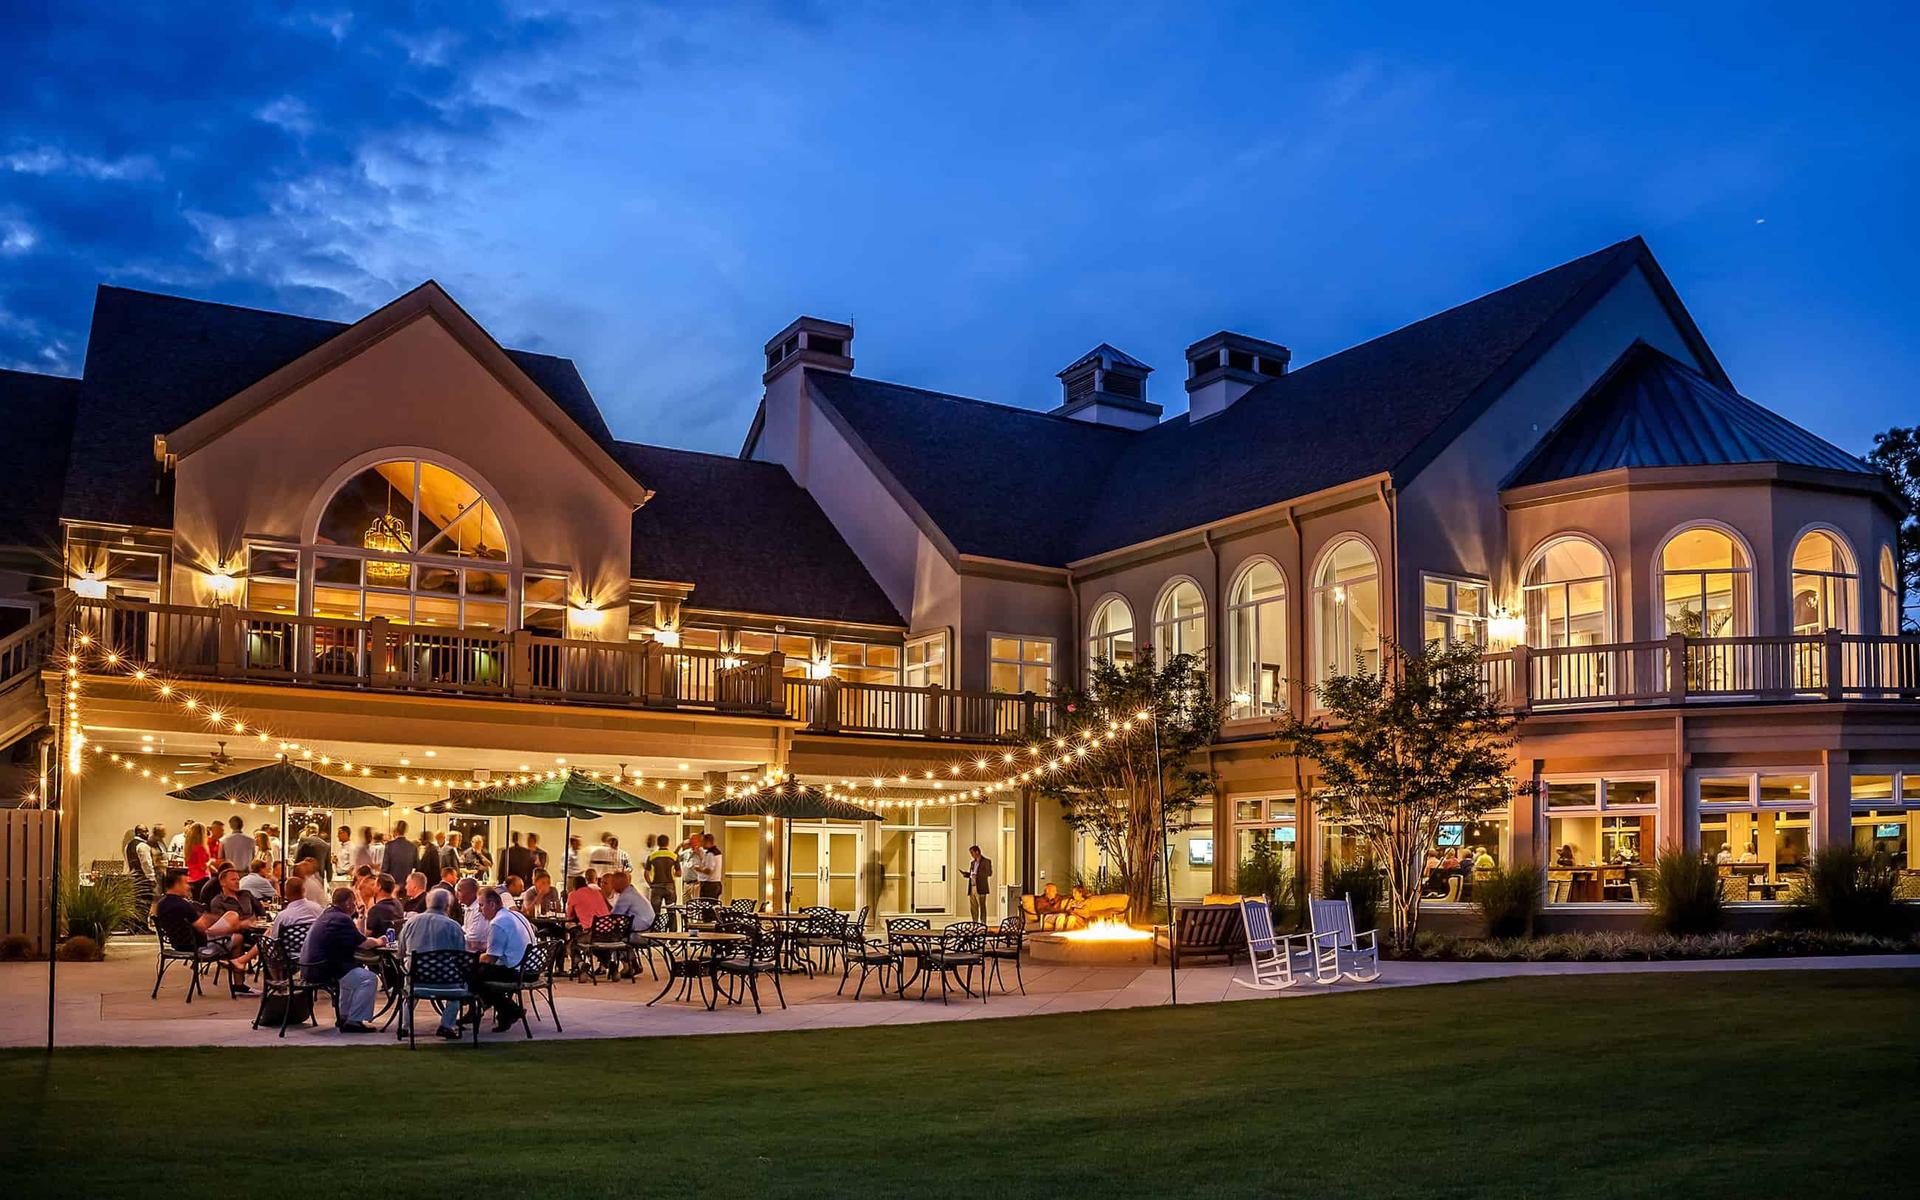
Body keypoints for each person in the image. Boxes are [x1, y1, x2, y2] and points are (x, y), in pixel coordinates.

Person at [298, 887, 383, 1033]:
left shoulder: (329, 915)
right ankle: (354, 1021)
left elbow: (357, 938)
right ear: (349, 903)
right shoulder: (341, 919)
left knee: (351, 978)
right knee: (369, 979)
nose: (356, 905)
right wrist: (381, 941)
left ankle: (344, 1016)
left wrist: (362, 917)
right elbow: (364, 944)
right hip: (323, 969)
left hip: (311, 966)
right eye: (354, 902)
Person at [153, 868, 255, 988]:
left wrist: (216, 920)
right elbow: (203, 929)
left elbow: (199, 922)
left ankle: (237, 973)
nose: (189, 887)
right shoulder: (183, 905)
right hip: (198, 946)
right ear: (177, 884)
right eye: (186, 883)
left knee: (231, 917)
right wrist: (235, 926)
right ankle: (239, 985)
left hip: (178, 943)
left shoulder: (161, 904)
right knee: (237, 937)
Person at [397, 887, 470, 1040]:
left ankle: (404, 1026)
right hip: (447, 981)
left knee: (408, 980)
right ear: (447, 906)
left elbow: (401, 952)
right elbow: (461, 956)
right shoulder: (453, 926)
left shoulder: (411, 923)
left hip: (417, 979)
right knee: (460, 985)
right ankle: (446, 1025)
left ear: (427, 903)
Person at [475, 887, 532, 1032]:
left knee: (473, 975)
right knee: (478, 973)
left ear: (492, 904)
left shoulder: (498, 923)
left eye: (481, 905)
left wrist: (474, 957)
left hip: (518, 971)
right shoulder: (516, 915)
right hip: (532, 968)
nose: (479, 910)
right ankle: (505, 1010)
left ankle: (508, 1009)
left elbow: (490, 959)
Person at [605, 872, 655, 977]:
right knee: (620, 936)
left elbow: (614, 917)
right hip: (649, 932)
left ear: (619, 883)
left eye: (613, 883)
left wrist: (603, 900)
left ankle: (627, 966)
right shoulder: (633, 892)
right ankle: (634, 964)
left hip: (641, 935)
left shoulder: (626, 896)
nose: (612, 886)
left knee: (614, 939)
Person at [644, 834, 678, 913]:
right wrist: (673, 874)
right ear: (668, 843)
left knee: (655, 912)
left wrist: (650, 884)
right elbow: (679, 873)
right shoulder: (674, 856)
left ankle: (657, 925)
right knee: (671, 912)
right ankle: (671, 925)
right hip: (670, 885)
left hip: (656, 885)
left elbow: (646, 873)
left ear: (658, 843)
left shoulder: (652, 856)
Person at [364, 873, 406, 939]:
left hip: (379, 947)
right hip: (396, 945)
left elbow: (366, 934)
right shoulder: (398, 904)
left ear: (379, 887)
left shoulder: (376, 909)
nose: (373, 887)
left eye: (374, 884)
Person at [457, 878, 489, 952]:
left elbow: (474, 938)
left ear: (471, 893)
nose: (456, 894)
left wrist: (454, 938)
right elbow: (465, 928)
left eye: (459, 890)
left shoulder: (479, 909)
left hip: (476, 954)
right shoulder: (468, 906)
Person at [963, 844, 993, 923]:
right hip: (972, 886)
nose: (971, 855)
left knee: (982, 906)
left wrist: (977, 875)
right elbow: (972, 873)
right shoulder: (972, 863)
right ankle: (975, 923)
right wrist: (967, 874)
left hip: (981, 887)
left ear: (977, 852)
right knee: (973, 907)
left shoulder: (986, 861)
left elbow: (989, 873)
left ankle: (983, 924)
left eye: (972, 853)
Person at [698, 833, 723, 901]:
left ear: (707, 841)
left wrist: (699, 869)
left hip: (709, 885)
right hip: (716, 882)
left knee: (706, 907)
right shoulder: (717, 852)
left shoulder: (710, 854)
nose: (701, 844)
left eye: (702, 841)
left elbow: (708, 870)